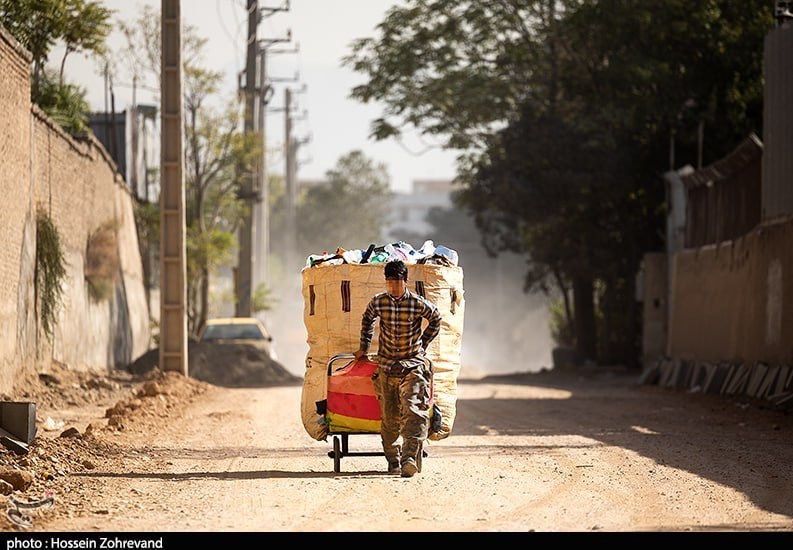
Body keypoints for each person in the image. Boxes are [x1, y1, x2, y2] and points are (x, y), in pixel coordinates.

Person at [354, 259, 442, 478]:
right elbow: (367, 320)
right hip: (386, 364)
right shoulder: (378, 302)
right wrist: (363, 348)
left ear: (406, 281)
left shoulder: (416, 303)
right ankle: (393, 459)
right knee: (390, 417)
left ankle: (409, 458)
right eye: (390, 282)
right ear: (385, 282)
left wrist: (423, 343)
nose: (393, 287)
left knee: (414, 411)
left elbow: (436, 318)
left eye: (398, 282)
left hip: (412, 364)